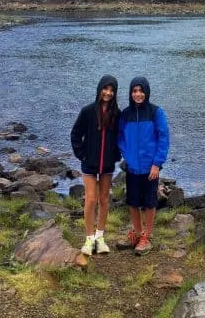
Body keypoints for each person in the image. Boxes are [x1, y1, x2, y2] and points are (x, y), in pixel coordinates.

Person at [118, 76, 170, 255]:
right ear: (130, 93)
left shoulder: (156, 113)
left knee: (149, 202)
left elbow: (163, 138)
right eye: (134, 91)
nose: (138, 94)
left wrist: (157, 164)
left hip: (150, 167)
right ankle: (138, 232)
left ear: (146, 92)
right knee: (132, 201)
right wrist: (127, 154)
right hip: (132, 166)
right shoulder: (125, 114)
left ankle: (147, 236)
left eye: (141, 91)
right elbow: (120, 137)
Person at [70, 74, 121, 256]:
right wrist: (82, 154)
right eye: (105, 89)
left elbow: (121, 138)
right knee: (91, 199)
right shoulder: (87, 111)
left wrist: (116, 155)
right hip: (89, 164)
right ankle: (89, 238)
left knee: (105, 199)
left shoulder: (117, 114)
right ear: (100, 89)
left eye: (111, 90)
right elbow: (75, 134)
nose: (108, 93)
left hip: (107, 165)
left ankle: (100, 237)